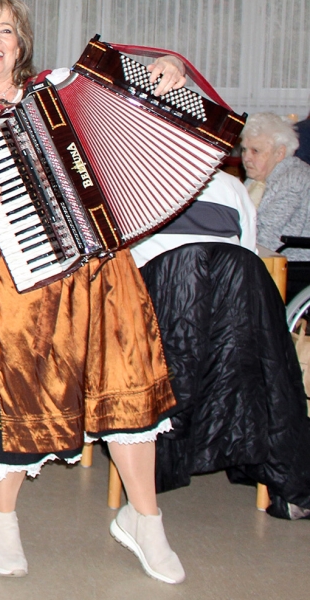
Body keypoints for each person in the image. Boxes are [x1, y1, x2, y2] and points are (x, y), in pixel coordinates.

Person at [0, 0, 188, 583]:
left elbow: (151, 75)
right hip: (12, 272)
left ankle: (145, 519)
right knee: (14, 396)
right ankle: (2, 521)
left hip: (100, 263)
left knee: (124, 381)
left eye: (5, 31)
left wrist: (170, 68)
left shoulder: (57, 88)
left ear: (21, 42)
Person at [130, 172, 310, 522]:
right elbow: (248, 250)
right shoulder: (232, 186)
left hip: (158, 340)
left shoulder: (133, 182)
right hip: (233, 347)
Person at [240, 112, 310, 300]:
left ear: (279, 153)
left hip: (293, 266)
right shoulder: (255, 181)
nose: (246, 158)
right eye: (244, 150)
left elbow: (269, 238)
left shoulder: (293, 178)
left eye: (255, 151)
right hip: (267, 260)